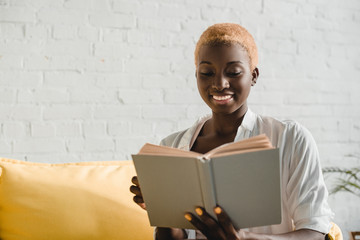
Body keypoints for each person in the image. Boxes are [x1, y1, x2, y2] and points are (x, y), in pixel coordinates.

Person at [130, 23, 334, 240]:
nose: (219, 84)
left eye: (234, 72)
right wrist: (162, 210)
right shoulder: (171, 146)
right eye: (207, 72)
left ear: (254, 76)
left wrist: (245, 239)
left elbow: (315, 233)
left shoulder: (290, 138)